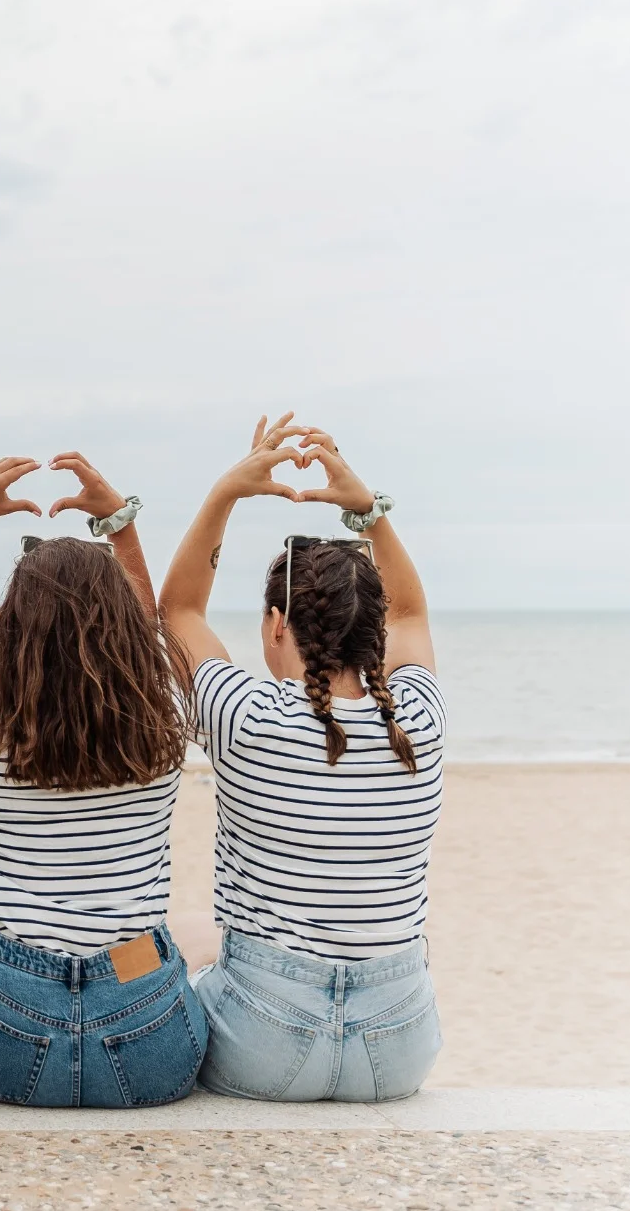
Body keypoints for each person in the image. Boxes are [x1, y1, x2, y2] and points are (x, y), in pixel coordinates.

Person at [159, 416, 445, 1102]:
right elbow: (413, 613)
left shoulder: (246, 716)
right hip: (398, 1045)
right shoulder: (419, 723)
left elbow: (177, 608)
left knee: (183, 943)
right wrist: (366, 509)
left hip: (266, 1042)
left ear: (275, 624)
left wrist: (227, 489)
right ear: (374, 634)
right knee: (201, 933)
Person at [0, 452, 206, 1108]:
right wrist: (120, 526)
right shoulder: (159, 724)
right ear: (129, 638)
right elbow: (149, 631)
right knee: (184, 939)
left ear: (10, 632)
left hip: (5, 1041)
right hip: (147, 1042)